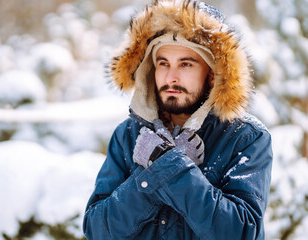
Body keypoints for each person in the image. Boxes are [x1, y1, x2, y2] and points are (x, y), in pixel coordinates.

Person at [83, 0, 273, 239]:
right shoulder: (128, 135)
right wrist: (156, 176)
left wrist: (171, 167)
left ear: (213, 75)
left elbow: (240, 232)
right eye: (163, 64)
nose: (171, 77)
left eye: (186, 64)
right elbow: (97, 230)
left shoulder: (245, 138)